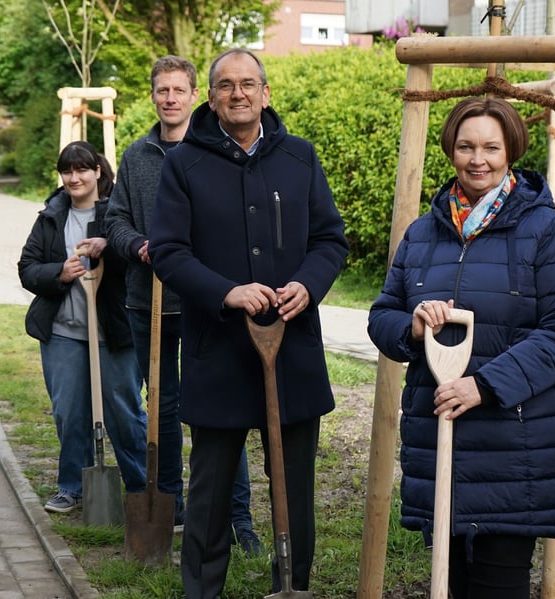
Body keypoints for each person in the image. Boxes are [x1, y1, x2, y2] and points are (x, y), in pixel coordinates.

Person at [367, 96, 555, 598]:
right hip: (440, 443)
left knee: (496, 583)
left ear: (511, 149)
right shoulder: (423, 234)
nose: (478, 159)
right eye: (466, 146)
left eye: (491, 146)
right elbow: (382, 316)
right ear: (450, 149)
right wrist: (414, 328)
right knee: (450, 581)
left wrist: (485, 385)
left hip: (516, 447)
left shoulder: (546, 231)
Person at [149, 48, 349, 598]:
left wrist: (308, 284)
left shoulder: (300, 158)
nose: (238, 93)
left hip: (293, 350)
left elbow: (331, 240)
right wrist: (227, 291)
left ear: (265, 93)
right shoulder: (182, 165)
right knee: (210, 491)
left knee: (295, 488)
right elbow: (167, 251)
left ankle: (293, 585)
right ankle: (202, 591)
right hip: (219, 352)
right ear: (209, 98)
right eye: (225, 85)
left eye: (248, 84)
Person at [104, 55, 261, 553]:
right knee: (163, 409)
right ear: (152, 97)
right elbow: (116, 220)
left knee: (219, 406)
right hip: (147, 302)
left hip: (206, 303)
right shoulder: (136, 156)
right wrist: (140, 247)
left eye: (178, 90)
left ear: (196, 95)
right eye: (161, 91)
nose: (169, 98)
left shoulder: (214, 150)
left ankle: (238, 518)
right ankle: (169, 507)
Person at [18, 141, 148, 513]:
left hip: (113, 332)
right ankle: (72, 487)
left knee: (123, 412)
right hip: (63, 333)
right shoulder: (51, 215)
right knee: (68, 411)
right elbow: (27, 268)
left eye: (82, 170)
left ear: (97, 172)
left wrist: (109, 246)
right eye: (67, 171)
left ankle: (139, 487)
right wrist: (58, 272)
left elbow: (135, 260)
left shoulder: (115, 214)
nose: (74, 178)